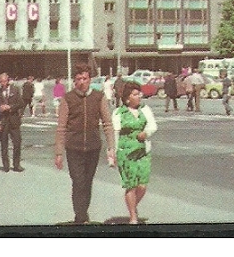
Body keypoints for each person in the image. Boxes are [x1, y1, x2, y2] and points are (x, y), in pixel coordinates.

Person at [54, 63, 116, 225]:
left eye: (85, 78)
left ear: (90, 79)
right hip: (73, 147)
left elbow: (108, 124)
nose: (82, 82)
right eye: (79, 79)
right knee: (78, 181)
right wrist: (59, 152)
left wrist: (111, 147)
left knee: (88, 182)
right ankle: (80, 216)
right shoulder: (68, 99)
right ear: (75, 81)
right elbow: (61, 127)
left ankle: (83, 212)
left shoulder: (99, 97)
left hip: (93, 147)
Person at [113, 82, 158, 225]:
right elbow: (115, 133)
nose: (139, 96)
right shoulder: (118, 112)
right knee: (130, 185)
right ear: (127, 98)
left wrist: (146, 133)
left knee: (142, 186)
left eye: (139, 93)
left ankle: (132, 206)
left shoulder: (145, 109)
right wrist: (113, 152)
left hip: (143, 150)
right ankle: (133, 217)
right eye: (135, 94)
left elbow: (153, 125)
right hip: (125, 152)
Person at [0, 73, 25, 172]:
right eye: (1, 81)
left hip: (14, 120)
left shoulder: (15, 90)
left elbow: (21, 103)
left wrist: (10, 107)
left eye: (5, 81)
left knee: (17, 143)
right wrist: (0, 107)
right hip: (3, 121)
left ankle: (16, 165)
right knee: (4, 144)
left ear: (8, 80)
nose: (3, 83)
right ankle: (6, 166)